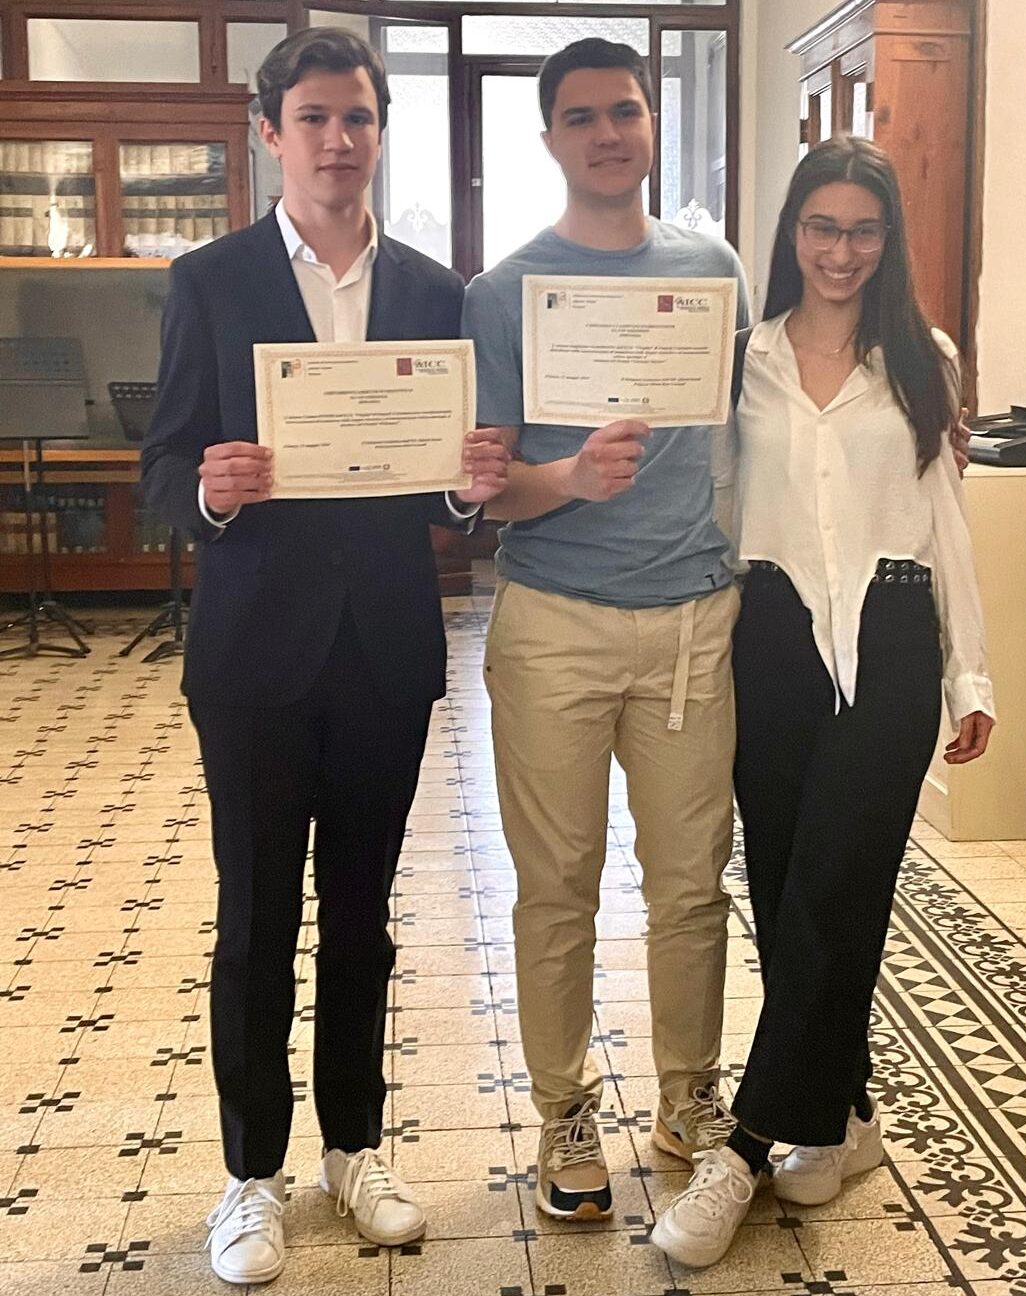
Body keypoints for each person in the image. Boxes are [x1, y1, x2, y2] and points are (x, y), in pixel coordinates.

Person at [140, 27, 509, 1286]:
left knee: (362, 919)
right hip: (252, 655)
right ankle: (251, 1175)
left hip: (384, 651)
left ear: (379, 130)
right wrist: (210, 490)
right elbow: (161, 471)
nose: (338, 140)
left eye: (357, 117)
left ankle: (355, 1149)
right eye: (313, 118)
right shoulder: (211, 280)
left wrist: (466, 489)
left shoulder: (434, 292)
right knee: (255, 920)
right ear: (270, 133)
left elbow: (445, 486)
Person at [651, 136, 996, 1269]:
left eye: (863, 231)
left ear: (888, 240)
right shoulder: (738, 359)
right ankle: (846, 1113)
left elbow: (945, 517)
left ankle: (745, 1149)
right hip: (769, 639)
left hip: (890, 641)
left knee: (836, 888)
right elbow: (711, 503)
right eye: (822, 227)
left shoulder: (923, 357)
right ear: (791, 231)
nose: (841, 251)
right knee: (789, 887)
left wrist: (971, 672)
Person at [462, 38, 750, 1222]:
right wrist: (568, 478)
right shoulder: (504, 294)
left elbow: (767, 420)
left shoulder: (711, 271)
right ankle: (565, 1110)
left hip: (694, 621)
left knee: (689, 885)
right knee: (557, 887)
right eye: (580, 117)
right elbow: (486, 492)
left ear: (650, 124)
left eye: (624, 111)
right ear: (550, 140)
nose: (606, 133)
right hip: (556, 627)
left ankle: (690, 1097)